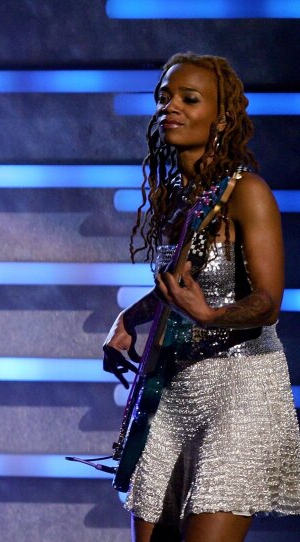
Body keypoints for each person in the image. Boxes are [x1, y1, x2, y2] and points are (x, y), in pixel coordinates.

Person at [103, 52, 300, 541]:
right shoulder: (178, 198)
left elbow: (268, 302)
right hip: (175, 389)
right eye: (165, 97)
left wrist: (209, 316)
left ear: (223, 117)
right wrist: (129, 318)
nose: (172, 107)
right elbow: (175, 286)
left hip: (241, 387)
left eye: (190, 99)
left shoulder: (247, 192)